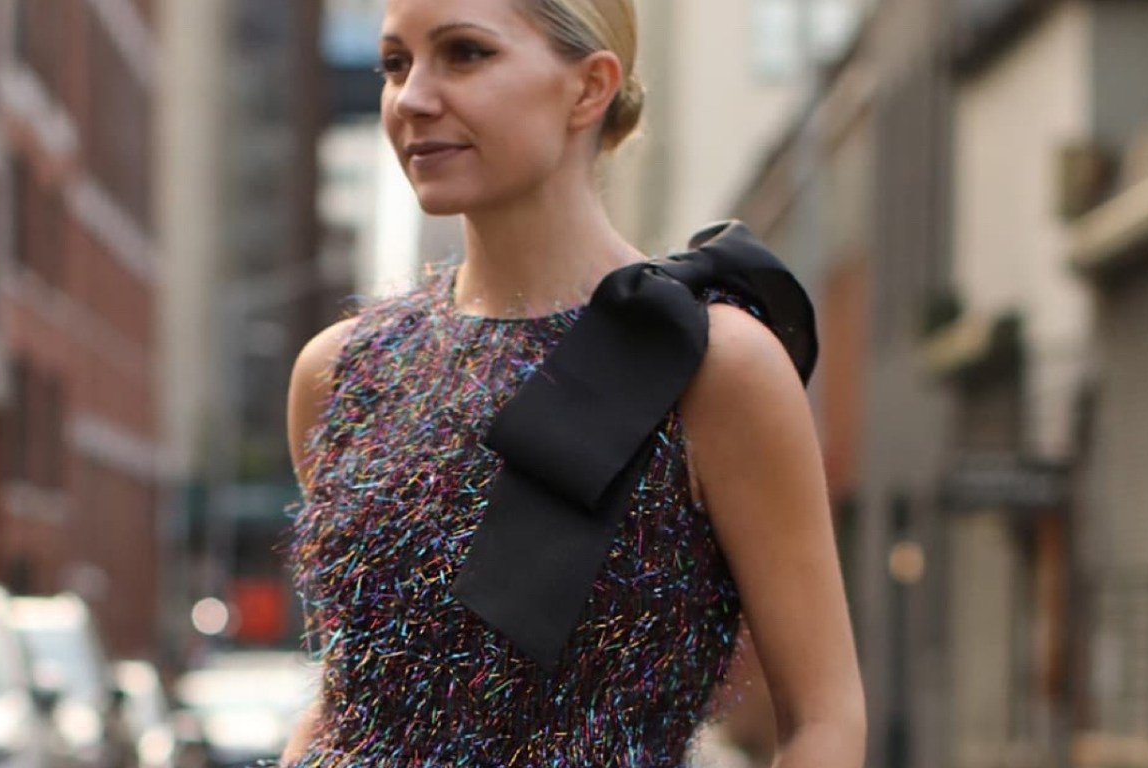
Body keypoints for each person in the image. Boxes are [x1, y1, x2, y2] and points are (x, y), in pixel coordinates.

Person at [278, 0, 865, 764]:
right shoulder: (341, 372)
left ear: (589, 88)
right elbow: (347, 694)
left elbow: (824, 717)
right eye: (396, 63)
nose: (412, 97)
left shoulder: (714, 365)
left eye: (464, 53)